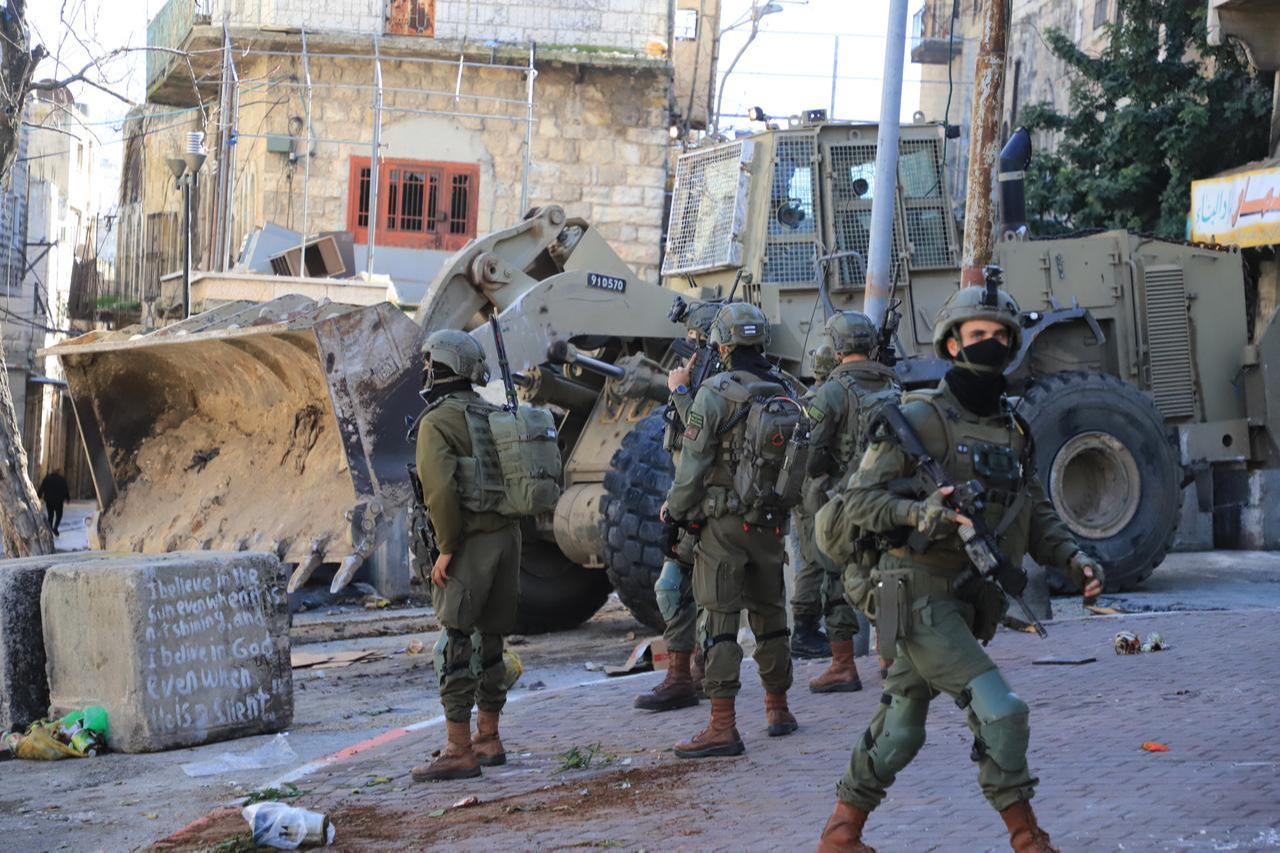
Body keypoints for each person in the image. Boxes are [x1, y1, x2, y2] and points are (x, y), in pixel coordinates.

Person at [816, 282, 1105, 852]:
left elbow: (1032, 508)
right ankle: (1028, 839)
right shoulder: (918, 419)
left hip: (969, 594)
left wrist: (1073, 557)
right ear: (952, 345)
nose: (993, 345)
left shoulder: (1013, 429)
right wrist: (923, 513)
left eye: (1002, 336)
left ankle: (839, 835)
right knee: (1002, 713)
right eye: (979, 336)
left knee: (900, 728)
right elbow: (859, 504)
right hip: (913, 589)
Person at [662, 302, 800, 759]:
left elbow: (693, 469)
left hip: (722, 524)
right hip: (771, 522)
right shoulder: (784, 390)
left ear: (722, 345)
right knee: (770, 614)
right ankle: (778, 708)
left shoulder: (715, 393)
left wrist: (677, 515)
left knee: (720, 620)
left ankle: (722, 725)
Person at [409, 330, 521, 783]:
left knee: (455, 644)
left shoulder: (438, 422)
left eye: (429, 363)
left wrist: (447, 548)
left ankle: (458, 749)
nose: (425, 371)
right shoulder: (493, 412)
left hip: (469, 545)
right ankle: (489, 739)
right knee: (490, 642)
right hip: (508, 540)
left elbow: (440, 491)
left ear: (442, 367)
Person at [802, 312, 900, 694]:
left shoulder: (831, 389)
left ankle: (843, 665)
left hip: (846, 499)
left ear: (838, 346)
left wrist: (824, 477)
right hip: (890, 495)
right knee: (888, 574)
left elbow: (812, 450)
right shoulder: (894, 382)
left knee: (836, 576)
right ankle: (890, 660)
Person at [635, 301, 720, 712]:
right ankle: (680, 676)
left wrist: (682, 393)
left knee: (708, 600)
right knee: (671, 589)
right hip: (686, 505)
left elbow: (702, 444)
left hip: (714, 509)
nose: (686, 350)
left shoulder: (720, 390)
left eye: (693, 341)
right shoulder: (694, 383)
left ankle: (702, 675)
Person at [789, 345, 836, 660]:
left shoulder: (805, 402)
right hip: (815, 490)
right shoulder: (826, 401)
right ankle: (805, 632)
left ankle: (809, 629)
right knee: (816, 561)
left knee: (812, 558)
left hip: (807, 490)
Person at [37, 470, 70, 536]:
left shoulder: (47, 479)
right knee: (59, 515)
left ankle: (49, 530)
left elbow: (42, 488)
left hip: (49, 500)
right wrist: (67, 498)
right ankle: (55, 527)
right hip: (59, 500)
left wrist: (38, 496)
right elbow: (65, 488)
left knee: (50, 515)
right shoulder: (61, 479)